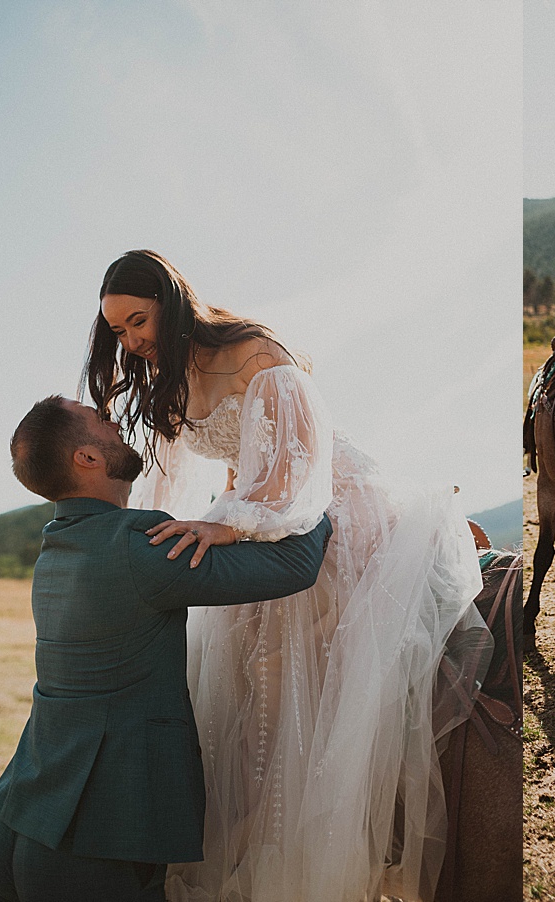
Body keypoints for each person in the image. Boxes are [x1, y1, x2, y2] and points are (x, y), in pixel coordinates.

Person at [86, 250, 487, 901]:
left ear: (172, 302)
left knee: (303, 679)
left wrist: (229, 520)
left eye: (138, 322)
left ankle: (325, 849)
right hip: (252, 513)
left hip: (332, 510)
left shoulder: (254, 352)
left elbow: (298, 471)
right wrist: (130, 548)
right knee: (239, 687)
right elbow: (167, 487)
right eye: (119, 333)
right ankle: (243, 850)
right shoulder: (170, 377)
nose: (131, 342)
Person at [0, 397, 333, 902]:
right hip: (95, 836)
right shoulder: (134, 544)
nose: (116, 424)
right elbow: (296, 566)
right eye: (102, 422)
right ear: (88, 458)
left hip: (20, 816)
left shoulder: (57, 545)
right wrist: (311, 492)